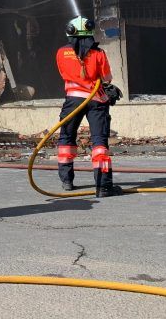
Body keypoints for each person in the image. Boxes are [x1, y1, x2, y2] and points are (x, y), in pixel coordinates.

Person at [56, 16, 122, 198]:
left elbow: (63, 73)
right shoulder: (99, 53)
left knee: (66, 139)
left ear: (70, 32)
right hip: (96, 101)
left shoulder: (61, 52)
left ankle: (67, 181)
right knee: (99, 143)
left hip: (72, 101)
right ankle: (103, 187)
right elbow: (107, 78)